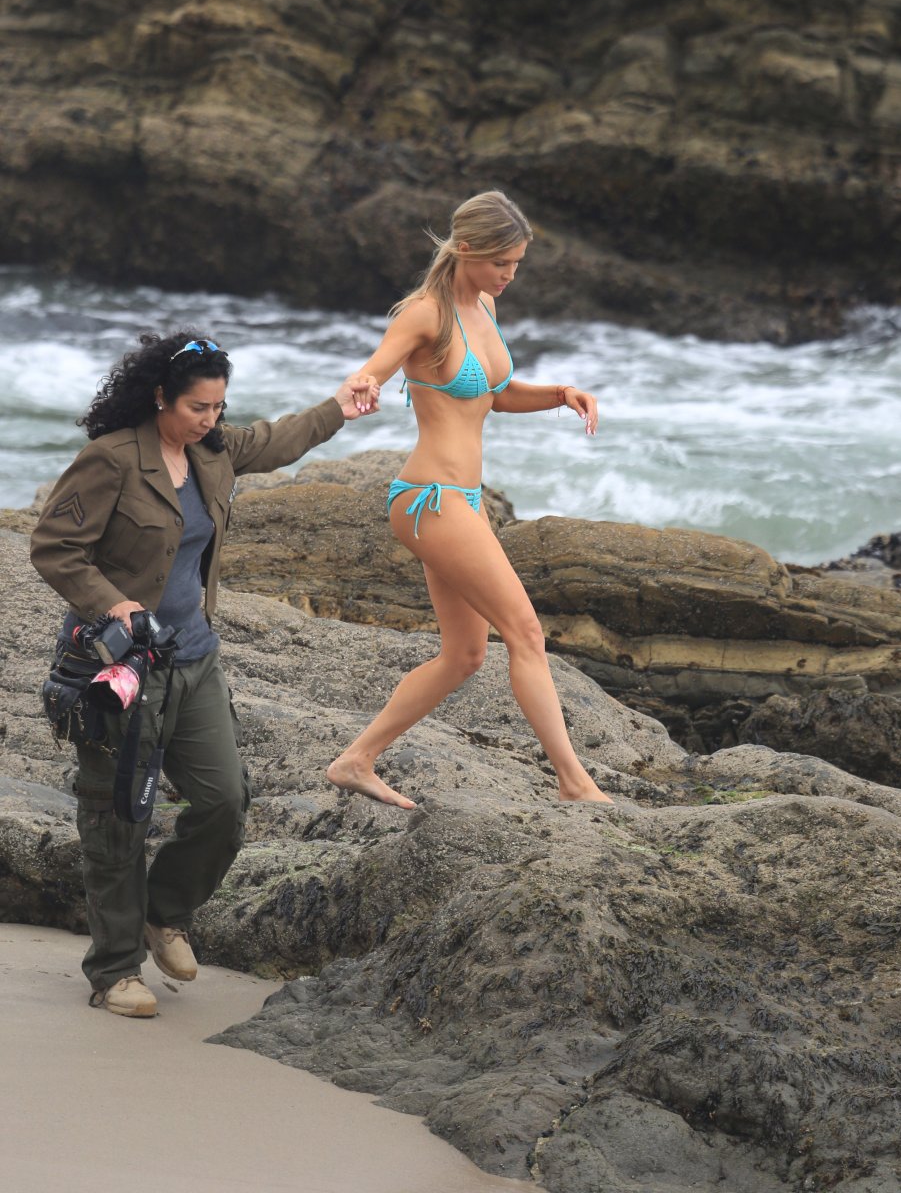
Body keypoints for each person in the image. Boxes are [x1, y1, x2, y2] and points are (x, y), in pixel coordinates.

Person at [30, 330, 377, 1017]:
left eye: (219, 407)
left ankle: (164, 912)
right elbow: (55, 547)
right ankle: (114, 971)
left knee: (224, 801)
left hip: (194, 658)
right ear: (160, 395)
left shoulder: (214, 451)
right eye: (197, 407)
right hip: (118, 668)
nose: (210, 419)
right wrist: (115, 604)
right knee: (117, 817)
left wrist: (340, 405)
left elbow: (277, 440)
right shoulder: (110, 459)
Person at [327, 190, 614, 809]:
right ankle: (574, 783)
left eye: (517, 264)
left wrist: (560, 394)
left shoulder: (483, 304)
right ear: (465, 250)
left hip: (462, 499)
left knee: (463, 656)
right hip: (429, 499)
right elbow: (376, 367)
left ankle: (355, 760)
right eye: (501, 263)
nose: (510, 275)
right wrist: (363, 383)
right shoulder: (424, 314)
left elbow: (496, 395)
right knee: (526, 631)